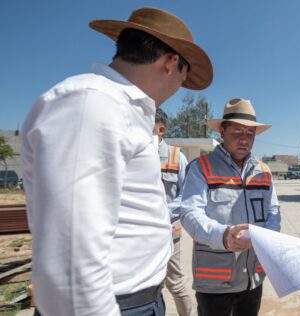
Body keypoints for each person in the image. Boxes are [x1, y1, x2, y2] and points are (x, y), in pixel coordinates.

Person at [21, 7, 212, 316]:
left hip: (138, 301)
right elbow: (70, 266)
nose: (179, 87)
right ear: (171, 62)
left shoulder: (119, 109)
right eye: (183, 78)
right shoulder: (92, 104)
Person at [176, 98, 281, 316]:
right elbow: (189, 213)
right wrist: (224, 236)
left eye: (250, 133)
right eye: (237, 132)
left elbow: (273, 212)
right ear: (222, 132)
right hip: (215, 282)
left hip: (253, 279)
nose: (244, 139)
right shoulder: (201, 168)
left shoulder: (263, 171)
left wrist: (266, 237)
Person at [154, 108, 192, 316]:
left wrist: (158, 214)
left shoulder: (177, 157)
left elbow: (185, 196)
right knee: (149, 285)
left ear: (160, 129)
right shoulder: (133, 153)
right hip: (140, 235)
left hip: (170, 232)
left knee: (175, 283)